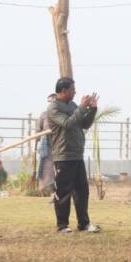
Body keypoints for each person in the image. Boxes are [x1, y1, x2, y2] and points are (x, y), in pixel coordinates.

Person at [47, 77, 101, 233]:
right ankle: (62, 225)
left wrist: (92, 109)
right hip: (63, 157)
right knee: (63, 192)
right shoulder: (53, 108)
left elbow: (84, 124)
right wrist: (82, 108)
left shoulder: (72, 105)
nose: (75, 92)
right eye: (72, 89)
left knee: (82, 191)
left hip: (77, 155)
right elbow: (68, 124)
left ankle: (83, 223)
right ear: (63, 91)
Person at [35, 93, 57, 194]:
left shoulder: (61, 115)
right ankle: (44, 190)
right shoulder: (44, 115)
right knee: (46, 169)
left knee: (57, 169)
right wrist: (36, 145)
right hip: (46, 146)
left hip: (59, 146)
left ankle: (57, 191)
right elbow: (38, 131)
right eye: (51, 101)